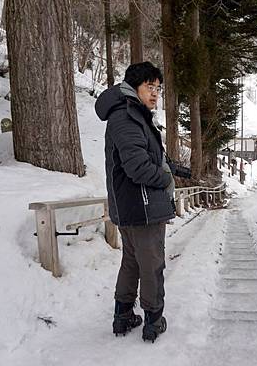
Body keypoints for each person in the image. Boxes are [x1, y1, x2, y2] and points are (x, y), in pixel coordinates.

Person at [95, 62, 175, 343]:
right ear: (133, 87)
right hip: (142, 208)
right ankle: (153, 319)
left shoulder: (130, 115)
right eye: (149, 87)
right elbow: (138, 167)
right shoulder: (127, 116)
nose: (155, 94)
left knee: (131, 261)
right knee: (152, 263)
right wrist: (165, 178)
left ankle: (123, 314)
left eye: (158, 88)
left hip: (130, 206)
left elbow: (140, 157)